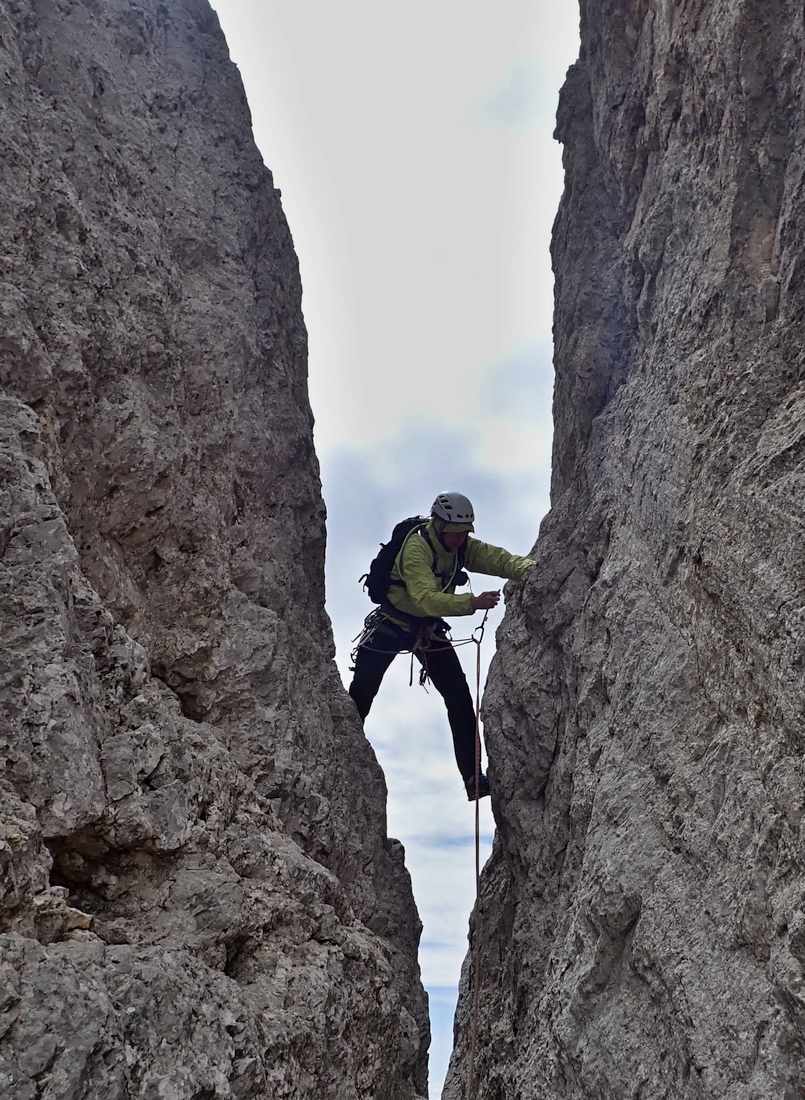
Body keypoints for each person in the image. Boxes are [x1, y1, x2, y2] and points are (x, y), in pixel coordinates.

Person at [348, 491, 535, 800]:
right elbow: (425, 597)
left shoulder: (461, 546)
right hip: (391, 626)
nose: (460, 539)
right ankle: (340, 749)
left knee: (459, 698)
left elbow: (495, 558)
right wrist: (472, 603)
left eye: (464, 533)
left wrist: (525, 568)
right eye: (454, 533)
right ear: (438, 525)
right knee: (362, 692)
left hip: (425, 629)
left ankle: (473, 779)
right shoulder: (416, 549)